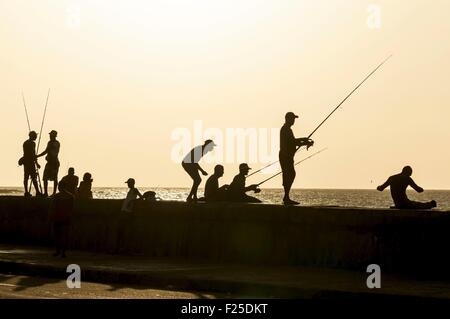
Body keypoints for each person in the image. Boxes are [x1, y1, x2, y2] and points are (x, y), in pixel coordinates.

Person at [279, 112, 314, 205]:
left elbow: (293, 142)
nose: (294, 120)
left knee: (289, 174)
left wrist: (303, 141)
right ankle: (286, 197)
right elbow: (292, 142)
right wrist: (304, 141)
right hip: (285, 156)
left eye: (294, 119)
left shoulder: (287, 129)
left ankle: (286, 196)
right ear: (287, 119)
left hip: (287, 156)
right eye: (292, 118)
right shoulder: (285, 129)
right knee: (290, 174)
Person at [48, 180, 74, 258]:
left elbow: (52, 207)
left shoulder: (56, 196)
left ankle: (58, 251)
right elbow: (71, 209)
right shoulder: (70, 196)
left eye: (59, 186)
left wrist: (50, 217)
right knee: (64, 236)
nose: (59, 187)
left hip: (58, 217)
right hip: (65, 217)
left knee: (57, 235)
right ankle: (63, 252)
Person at [37, 130, 60, 197]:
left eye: (51, 135)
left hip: (54, 163)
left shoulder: (55, 143)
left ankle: (54, 193)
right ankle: (46, 193)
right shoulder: (50, 142)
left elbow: (47, 151)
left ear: (54, 135)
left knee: (54, 178)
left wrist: (38, 155)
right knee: (45, 178)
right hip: (50, 162)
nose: (50, 136)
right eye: (50, 135)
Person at [20, 131, 42, 197]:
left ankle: (27, 192)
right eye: (35, 136)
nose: (36, 137)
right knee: (33, 177)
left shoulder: (26, 143)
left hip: (27, 162)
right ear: (32, 136)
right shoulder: (31, 143)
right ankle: (37, 192)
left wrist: (36, 162)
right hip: (29, 162)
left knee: (28, 177)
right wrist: (36, 163)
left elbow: (32, 154)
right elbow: (32, 154)